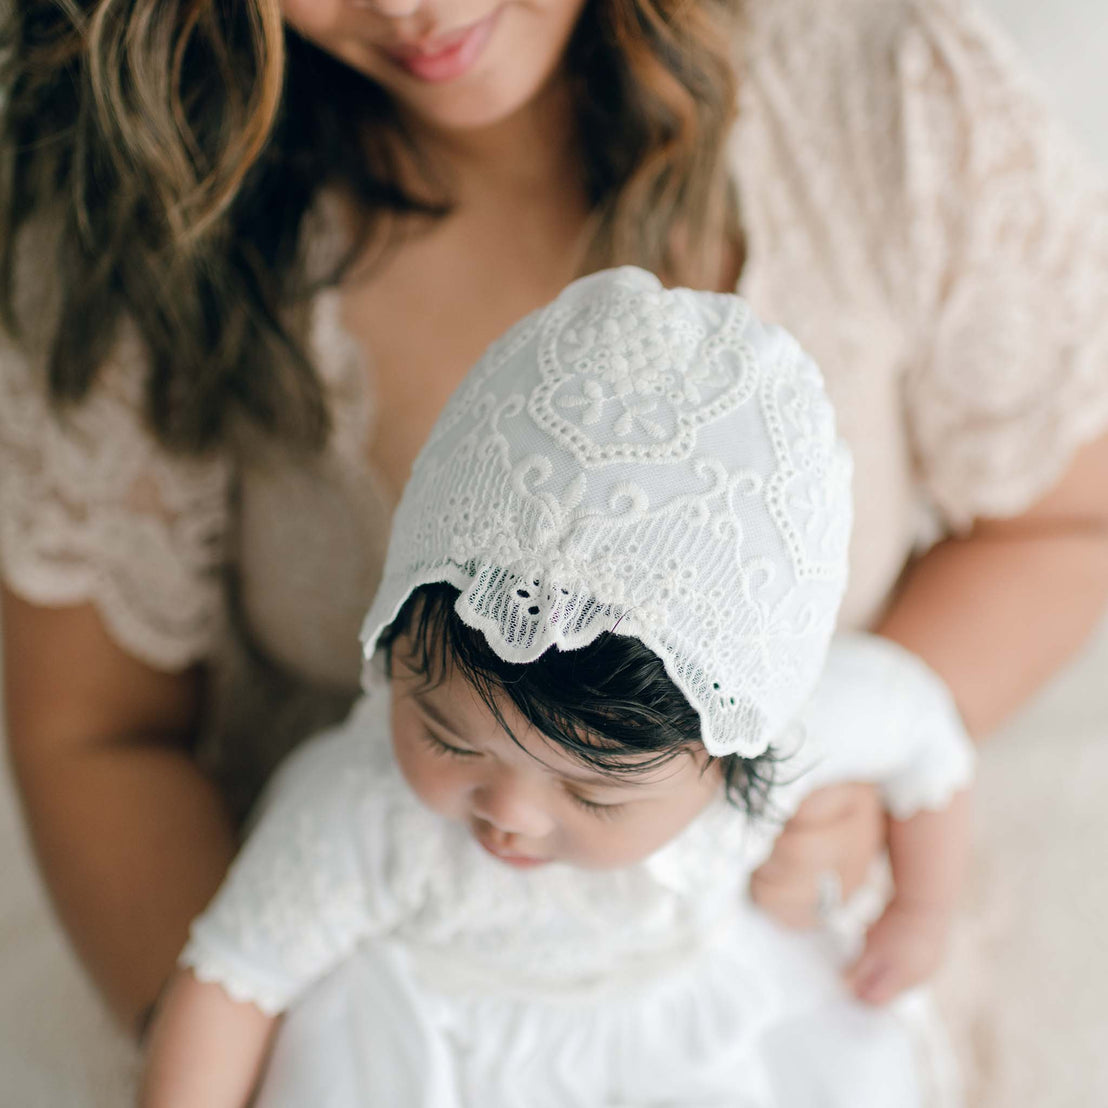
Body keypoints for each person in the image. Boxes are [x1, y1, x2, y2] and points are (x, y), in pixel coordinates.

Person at [1, 0, 1106, 1083]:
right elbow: (98, 735)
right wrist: (274, 1052)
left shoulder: (886, 98)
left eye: (584, 790)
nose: (401, 8)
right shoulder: (131, 206)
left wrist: (867, 839)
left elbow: (1055, 536)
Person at [140, 271, 974, 1108]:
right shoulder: (365, 812)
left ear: (731, 751)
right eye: (448, 738)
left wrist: (922, 910)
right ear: (393, 646)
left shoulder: (777, 726)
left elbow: (925, 737)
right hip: (437, 1057)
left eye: (591, 791)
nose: (510, 813)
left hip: (692, 1045)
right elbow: (233, 981)